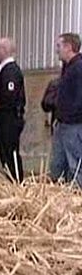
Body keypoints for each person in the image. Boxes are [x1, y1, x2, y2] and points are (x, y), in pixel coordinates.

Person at [50, 33, 82, 187]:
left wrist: (69, 115)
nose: (57, 50)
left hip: (73, 125)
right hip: (63, 124)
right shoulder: (67, 68)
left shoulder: (78, 68)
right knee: (57, 166)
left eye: (59, 46)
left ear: (69, 47)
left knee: (75, 165)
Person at [0, 37, 26, 183]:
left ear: (4, 50)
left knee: (11, 152)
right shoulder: (1, 70)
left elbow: (9, 96)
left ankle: (17, 181)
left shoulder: (10, 71)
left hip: (9, 119)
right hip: (3, 118)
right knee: (4, 152)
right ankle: (11, 179)